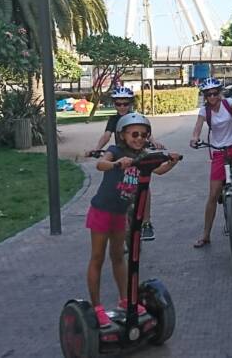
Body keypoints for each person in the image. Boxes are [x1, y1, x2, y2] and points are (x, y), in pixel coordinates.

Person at [86, 113, 181, 327]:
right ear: (122, 135)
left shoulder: (143, 156)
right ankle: (97, 308)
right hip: (102, 210)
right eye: (134, 134)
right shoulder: (115, 151)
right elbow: (100, 165)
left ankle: (124, 300)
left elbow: (160, 170)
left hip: (120, 214)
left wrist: (172, 161)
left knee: (119, 257)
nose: (139, 138)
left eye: (144, 135)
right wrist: (117, 164)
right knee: (98, 258)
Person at [189, 77, 232, 248]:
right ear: (205, 96)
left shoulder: (229, 103)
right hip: (218, 150)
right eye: (208, 94)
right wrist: (194, 138)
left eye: (215, 93)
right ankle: (206, 235)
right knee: (213, 195)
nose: (212, 97)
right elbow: (197, 129)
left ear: (220, 92)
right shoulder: (204, 111)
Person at [91, 86, 164, 241]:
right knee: (117, 187)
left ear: (130, 103)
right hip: (120, 157)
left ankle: (146, 222)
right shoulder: (113, 119)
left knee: (144, 185)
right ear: (114, 104)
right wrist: (97, 148)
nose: (122, 107)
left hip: (137, 155)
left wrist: (154, 142)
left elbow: (146, 134)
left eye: (125, 103)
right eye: (119, 104)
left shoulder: (136, 117)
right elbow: (106, 135)